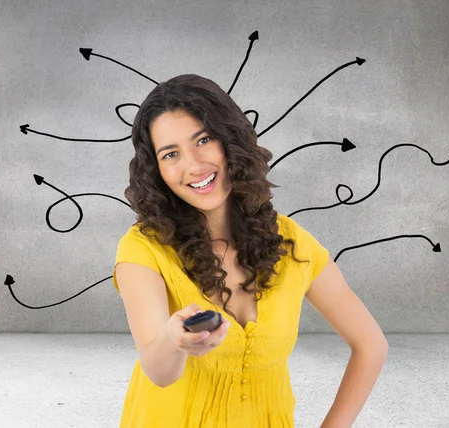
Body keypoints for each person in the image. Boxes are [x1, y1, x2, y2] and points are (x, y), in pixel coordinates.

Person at [112, 74, 387, 427]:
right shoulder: (142, 249)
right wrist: (174, 340)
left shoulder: (293, 243)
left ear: (231, 141)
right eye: (171, 154)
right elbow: (158, 370)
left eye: (204, 139)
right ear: (157, 171)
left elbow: (371, 346)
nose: (193, 165)